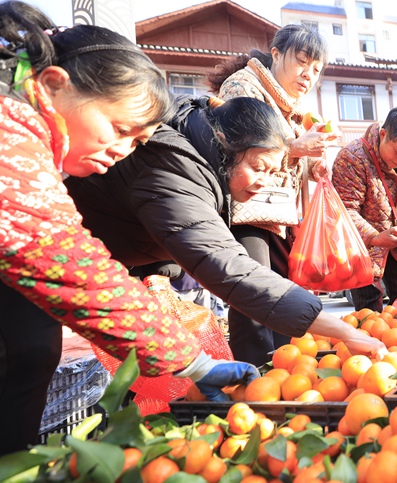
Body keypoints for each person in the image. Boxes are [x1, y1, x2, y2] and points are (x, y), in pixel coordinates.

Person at [0, 2, 257, 454]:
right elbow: (76, 269)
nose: (122, 151)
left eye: (137, 141)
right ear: (56, 84)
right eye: (118, 129)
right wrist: (191, 361)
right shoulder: (11, 142)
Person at [64, 95, 386, 368]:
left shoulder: (196, 158)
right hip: (59, 254)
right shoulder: (175, 167)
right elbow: (231, 269)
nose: (264, 181)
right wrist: (344, 332)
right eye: (258, 167)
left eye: (272, 172)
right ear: (228, 146)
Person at [207, 24, 340, 362]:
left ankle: (284, 369)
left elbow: (287, 159)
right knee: (253, 294)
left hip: (277, 214)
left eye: (316, 70)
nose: (308, 75)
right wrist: (296, 146)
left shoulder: (291, 109)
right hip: (247, 207)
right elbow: (243, 150)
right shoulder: (242, 86)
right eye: (302, 62)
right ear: (276, 54)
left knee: (281, 294)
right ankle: (257, 378)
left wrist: (314, 165)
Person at [331, 106, 397, 312]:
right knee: (369, 315)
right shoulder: (352, 157)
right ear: (383, 134)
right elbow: (344, 210)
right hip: (363, 249)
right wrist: (375, 237)